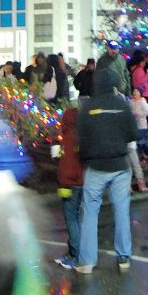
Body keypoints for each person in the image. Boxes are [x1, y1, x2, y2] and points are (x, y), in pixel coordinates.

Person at [75, 68, 138, 273]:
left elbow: (81, 139)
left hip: (96, 166)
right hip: (120, 166)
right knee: (122, 210)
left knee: (90, 212)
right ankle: (123, 257)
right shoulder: (122, 105)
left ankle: (87, 261)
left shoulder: (87, 107)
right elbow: (133, 134)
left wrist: (85, 157)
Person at [54, 106, 84, 269]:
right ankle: (74, 252)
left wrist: (63, 181)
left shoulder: (66, 137)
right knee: (76, 218)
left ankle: (75, 255)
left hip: (69, 183)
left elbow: (66, 162)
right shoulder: (81, 135)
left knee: (70, 219)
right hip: (81, 182)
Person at [130, 87, 148, 167]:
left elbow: (147, 111)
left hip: (142, 125)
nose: (135, 93)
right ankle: (142, 158)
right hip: (134, 125)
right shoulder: (131, 101)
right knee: (138, 143)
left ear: (140, 93)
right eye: (134, 91)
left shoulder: (143, 101)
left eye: (137, 91)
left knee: (141, 141)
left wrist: (139, 115)